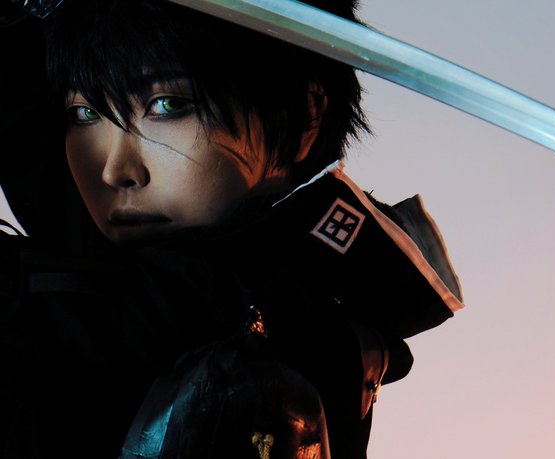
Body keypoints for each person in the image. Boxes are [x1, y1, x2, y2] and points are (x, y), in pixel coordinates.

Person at [0, 0, 464, 457]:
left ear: (302, 113)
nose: (114, 170)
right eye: (84, 114)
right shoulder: (147, 250)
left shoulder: (256, 313)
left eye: (167, 105)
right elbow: (25, 129)